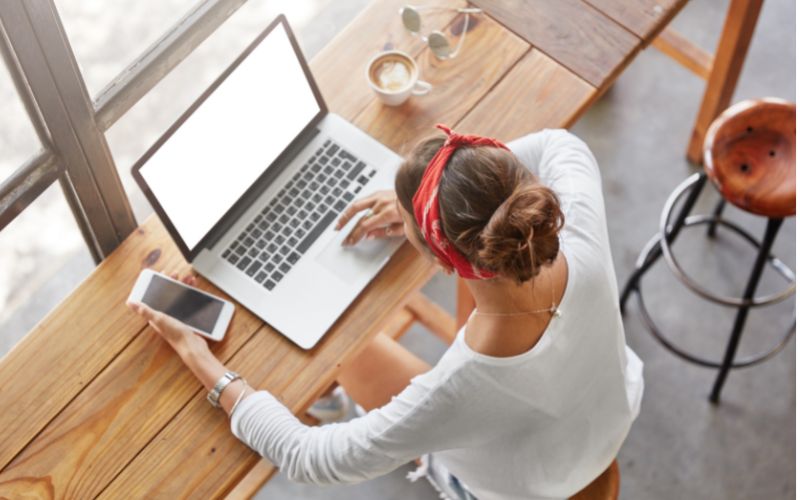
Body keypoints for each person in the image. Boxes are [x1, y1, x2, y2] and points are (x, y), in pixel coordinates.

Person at [128, 125, 644, 500]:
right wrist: (446, 207)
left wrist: (196, 356)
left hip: (523, 489)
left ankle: (330, 404)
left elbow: (312, 459)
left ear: (443, 257)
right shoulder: (579, 234)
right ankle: (332, 400)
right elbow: (561, 144)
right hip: (596, 422)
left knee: (334, 350)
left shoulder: (462, 386)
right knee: (345, 351)